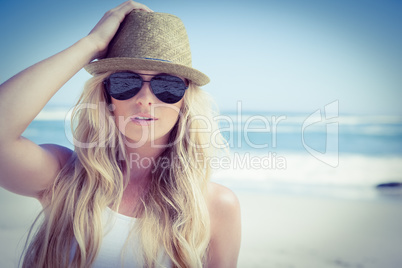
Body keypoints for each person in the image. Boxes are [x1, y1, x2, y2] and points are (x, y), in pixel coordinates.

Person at [0, 1, 241, 268]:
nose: (145, 99)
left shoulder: (217, 206)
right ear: (106, 94)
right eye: (126, 82)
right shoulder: (63, 178)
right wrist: (90, 44)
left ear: (184, 100)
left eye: (167, 85)